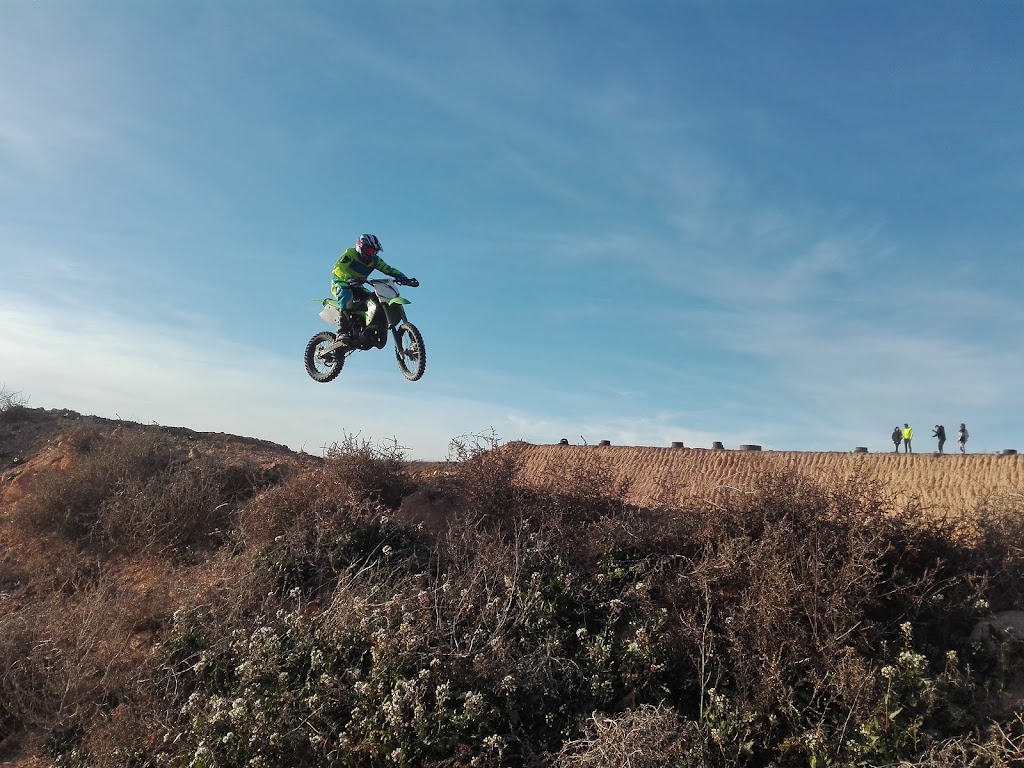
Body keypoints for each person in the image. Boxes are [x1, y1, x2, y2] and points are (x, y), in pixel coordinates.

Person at [330, 234, 418, 344]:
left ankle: (369, 326)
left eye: (374, 251)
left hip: (357, 286)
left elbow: (388, 269)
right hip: (341, 283)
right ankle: (342, 331)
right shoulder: (350, 254)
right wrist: (348, 278)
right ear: (360, 246)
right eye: (368, 249)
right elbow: (338, 268)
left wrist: (404, 278)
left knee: (373, 299)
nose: (371, 253)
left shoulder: (375, 261)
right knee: (346, 297)